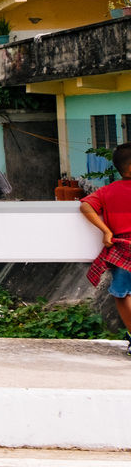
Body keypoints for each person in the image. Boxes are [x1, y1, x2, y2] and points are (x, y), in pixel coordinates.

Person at [79, 141, 131, 356]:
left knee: (122, 294)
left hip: (122, 251)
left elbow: (86, 205)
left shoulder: (107, 191)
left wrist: (106, 231)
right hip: (123, 250)